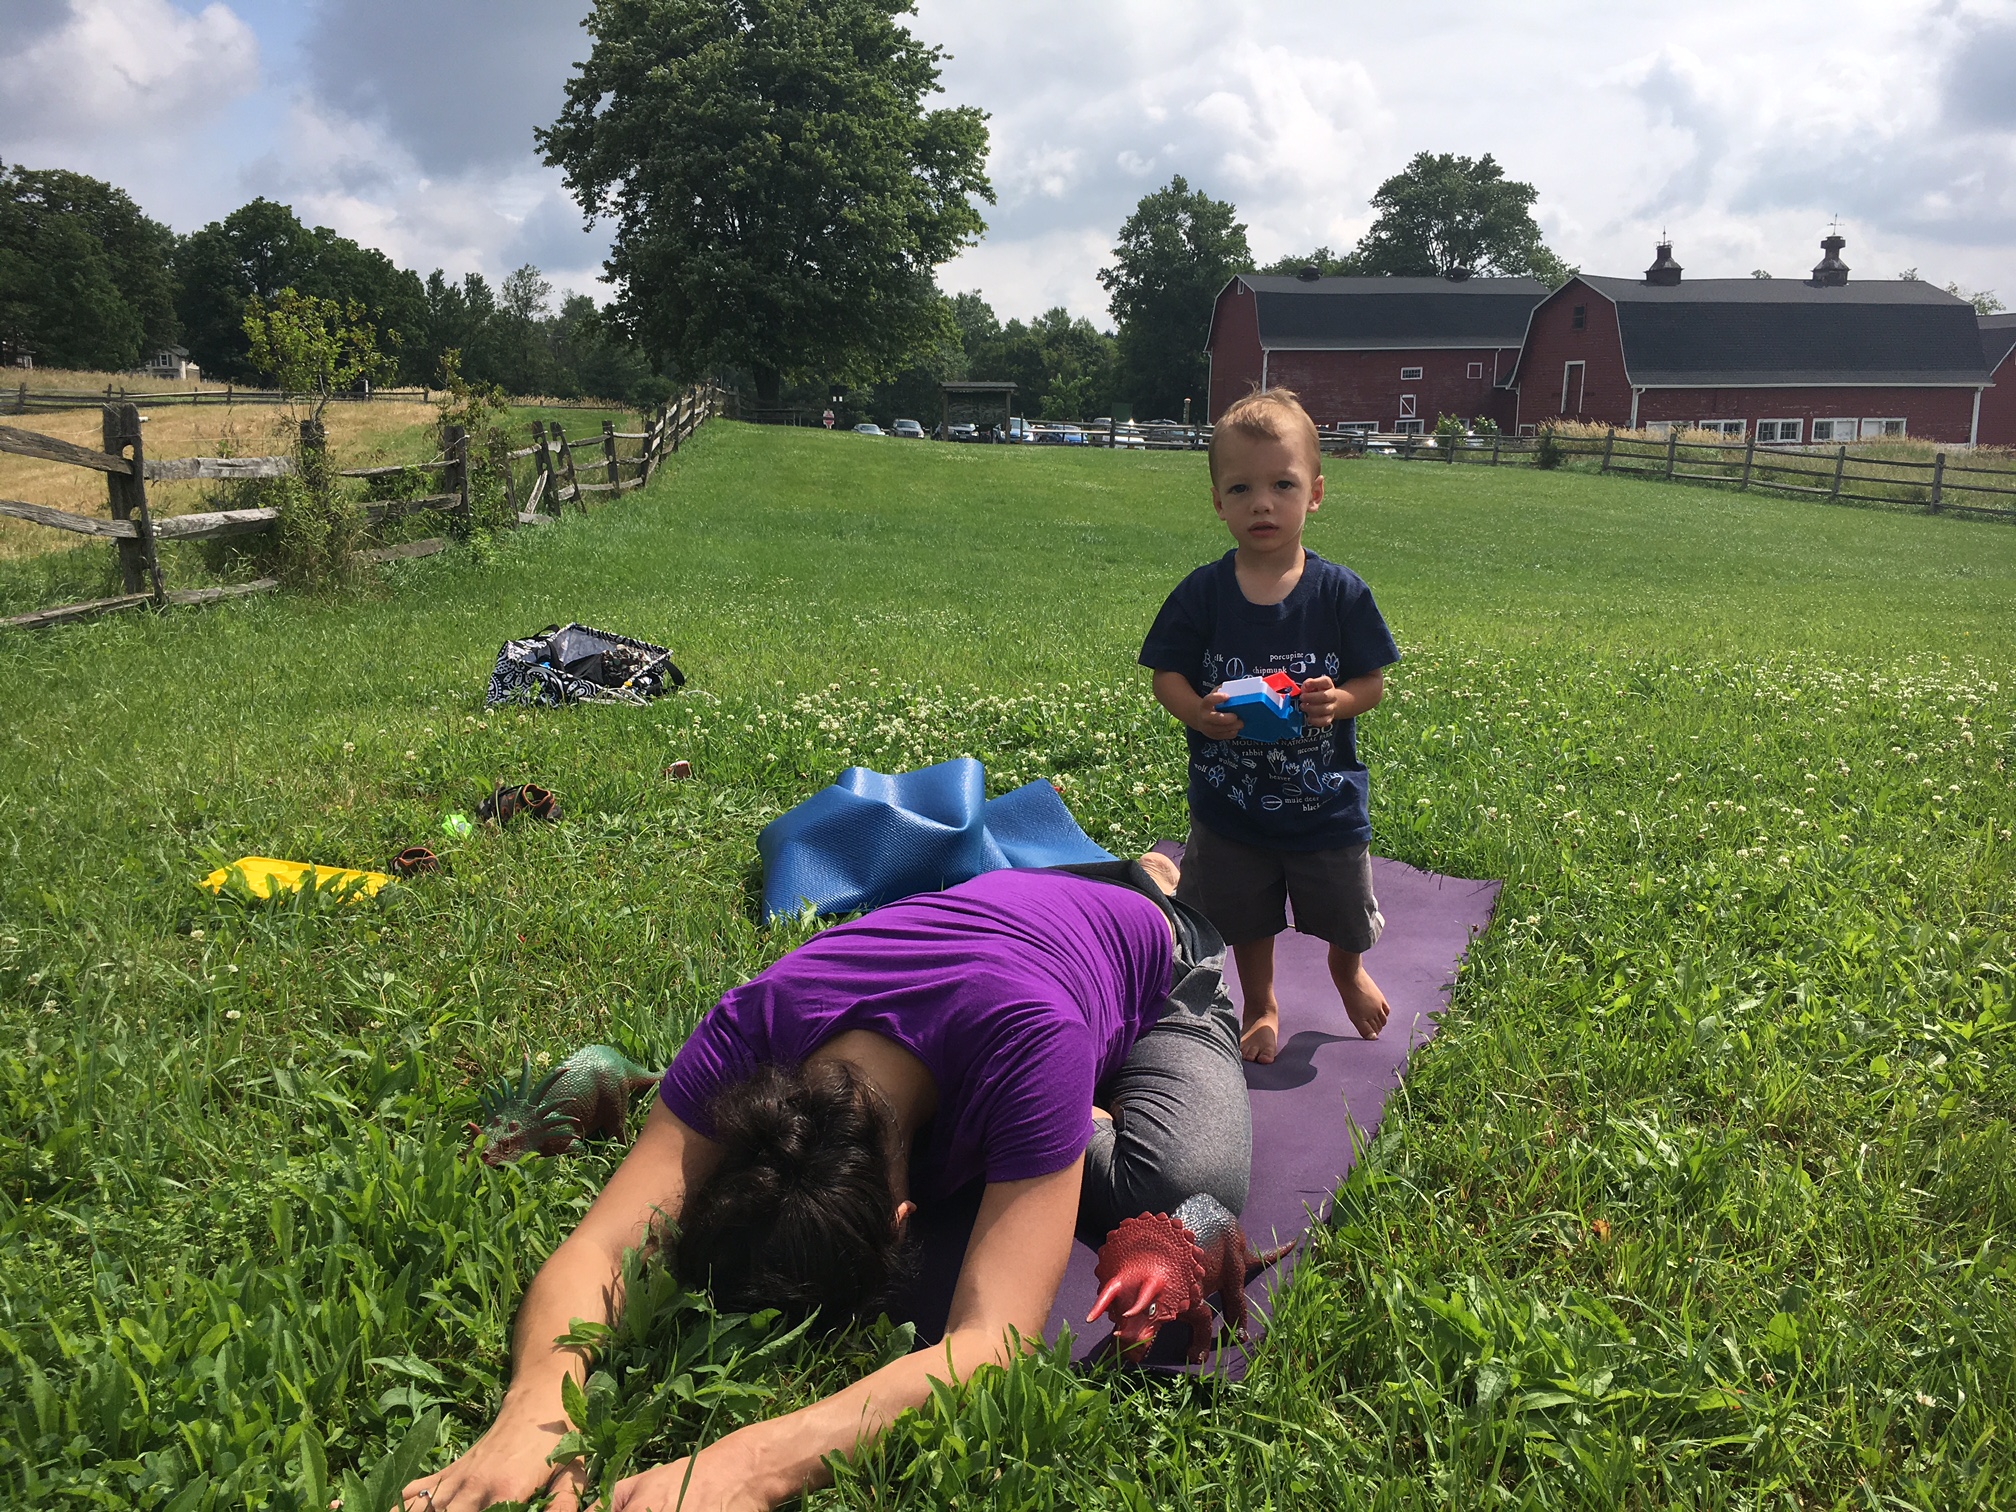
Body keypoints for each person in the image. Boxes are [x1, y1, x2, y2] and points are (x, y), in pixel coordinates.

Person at [403, 855, 1248, 1512]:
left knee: (1184, 1180)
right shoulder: (749, 1025)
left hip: (1164, 959)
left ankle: (1145, 910)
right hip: (998, 910)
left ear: (905, 1217)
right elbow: (602, 1243)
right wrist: (534, 1417)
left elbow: (995, 1342)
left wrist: (751, 1465)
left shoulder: (1035, 1043)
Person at [1138, 387, 1402, 1065]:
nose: (1262, 502)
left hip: (1324, 804)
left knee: (1345, 911)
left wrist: (1339, 702)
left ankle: (1346, 973)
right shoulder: (1202, 593)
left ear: (1314, 493)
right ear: (1217, 501)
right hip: (1231, 807)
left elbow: (1372, 681)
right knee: (1245, 916)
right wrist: (1196, 710)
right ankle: (1262, 1004)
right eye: (1242, 487)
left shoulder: (1339, 592)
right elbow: (1165, 671)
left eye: (1282, 484)